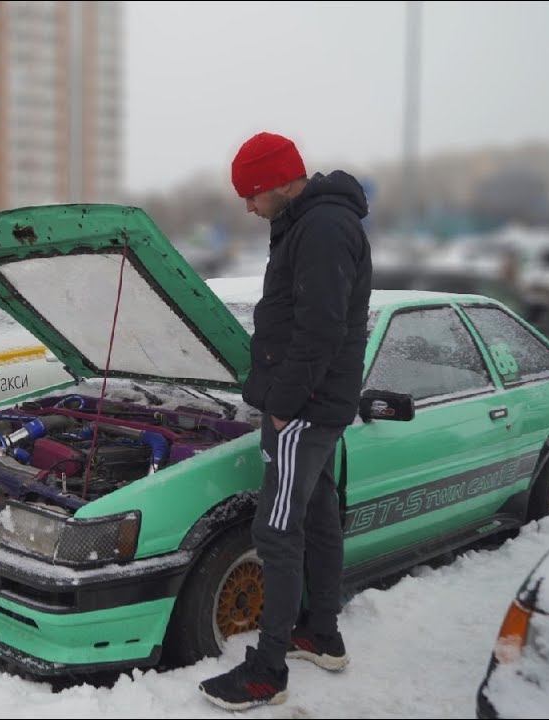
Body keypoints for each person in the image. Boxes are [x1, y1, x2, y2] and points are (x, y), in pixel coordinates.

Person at [199, 132, 373, 709]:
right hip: (320, 405)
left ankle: (266, 672)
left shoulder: (321, 229)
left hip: (304, 409)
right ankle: (320, 633)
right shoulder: (312, 223)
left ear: (278, 182)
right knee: (319, 516)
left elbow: (319, 331)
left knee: (275, 532)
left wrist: (283, 406)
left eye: (251, 195)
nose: (248, 208)